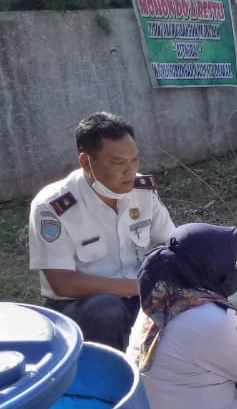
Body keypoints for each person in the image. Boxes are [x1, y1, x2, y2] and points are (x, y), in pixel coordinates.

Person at [28, 112, 176, 351]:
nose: (130, 171)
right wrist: (141, 287)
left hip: (137, 293)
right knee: (106, 310)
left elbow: (173, 242)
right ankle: (111, 373)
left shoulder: (141, 190)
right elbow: (63, 284)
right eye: (118, 163)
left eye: (135, 160)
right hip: (81, 306)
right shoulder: (53, 206)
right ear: (86, 162)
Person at [127, 223, 237, 409]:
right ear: (209, 267)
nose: (235, 268)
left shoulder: (159, 302)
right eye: (230, 262)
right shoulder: (213, 320)